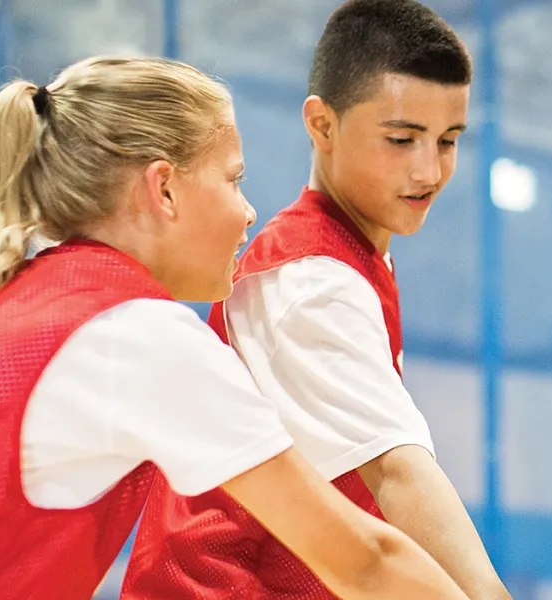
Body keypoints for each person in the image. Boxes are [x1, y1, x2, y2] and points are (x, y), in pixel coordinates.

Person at [0, 56, 466, 600]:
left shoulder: (9, 297)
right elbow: (366, 562)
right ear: (163, 189)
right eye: (234, 179)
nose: (249, 211)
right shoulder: (142, 337)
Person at [122, 1, 508, 598]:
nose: (429, 169)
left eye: (449, 140)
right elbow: (397, 476)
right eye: (402, 139)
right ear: (322, 125)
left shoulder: (352, 259)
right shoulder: (306, 280)